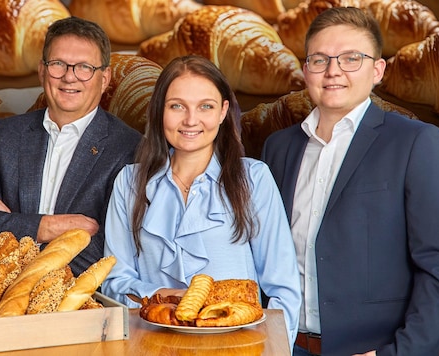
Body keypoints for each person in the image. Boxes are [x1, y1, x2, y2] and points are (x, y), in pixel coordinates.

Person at [261, 7, 439, 356]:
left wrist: (400, 353)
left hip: (370, 350)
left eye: (350, 59)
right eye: (320, 59)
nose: (333, 71)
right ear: (305, 69)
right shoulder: (278, 147)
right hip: (282, 345)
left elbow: (438, 266)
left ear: (377, 70)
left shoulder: (416, 143)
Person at [101, 55, 301, 350]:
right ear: (159, 112)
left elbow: (283, 288)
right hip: (151, 347)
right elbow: (114, 282)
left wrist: (276, 350)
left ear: (222, 112)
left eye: (205, 106)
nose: (191, 120)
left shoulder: (254, 179)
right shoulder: (129, 183)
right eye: (177, 106)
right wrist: (168, 295)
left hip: (238, 348)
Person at [0, 16, 142, 276]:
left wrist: (12, 226)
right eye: (58, 64)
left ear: (104, 78)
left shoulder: (129, 148)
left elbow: (107, 254)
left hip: (80, 306)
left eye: (84, 67)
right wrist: (46, 227)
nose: (69, 77)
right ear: (42, 70)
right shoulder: (6, 135)